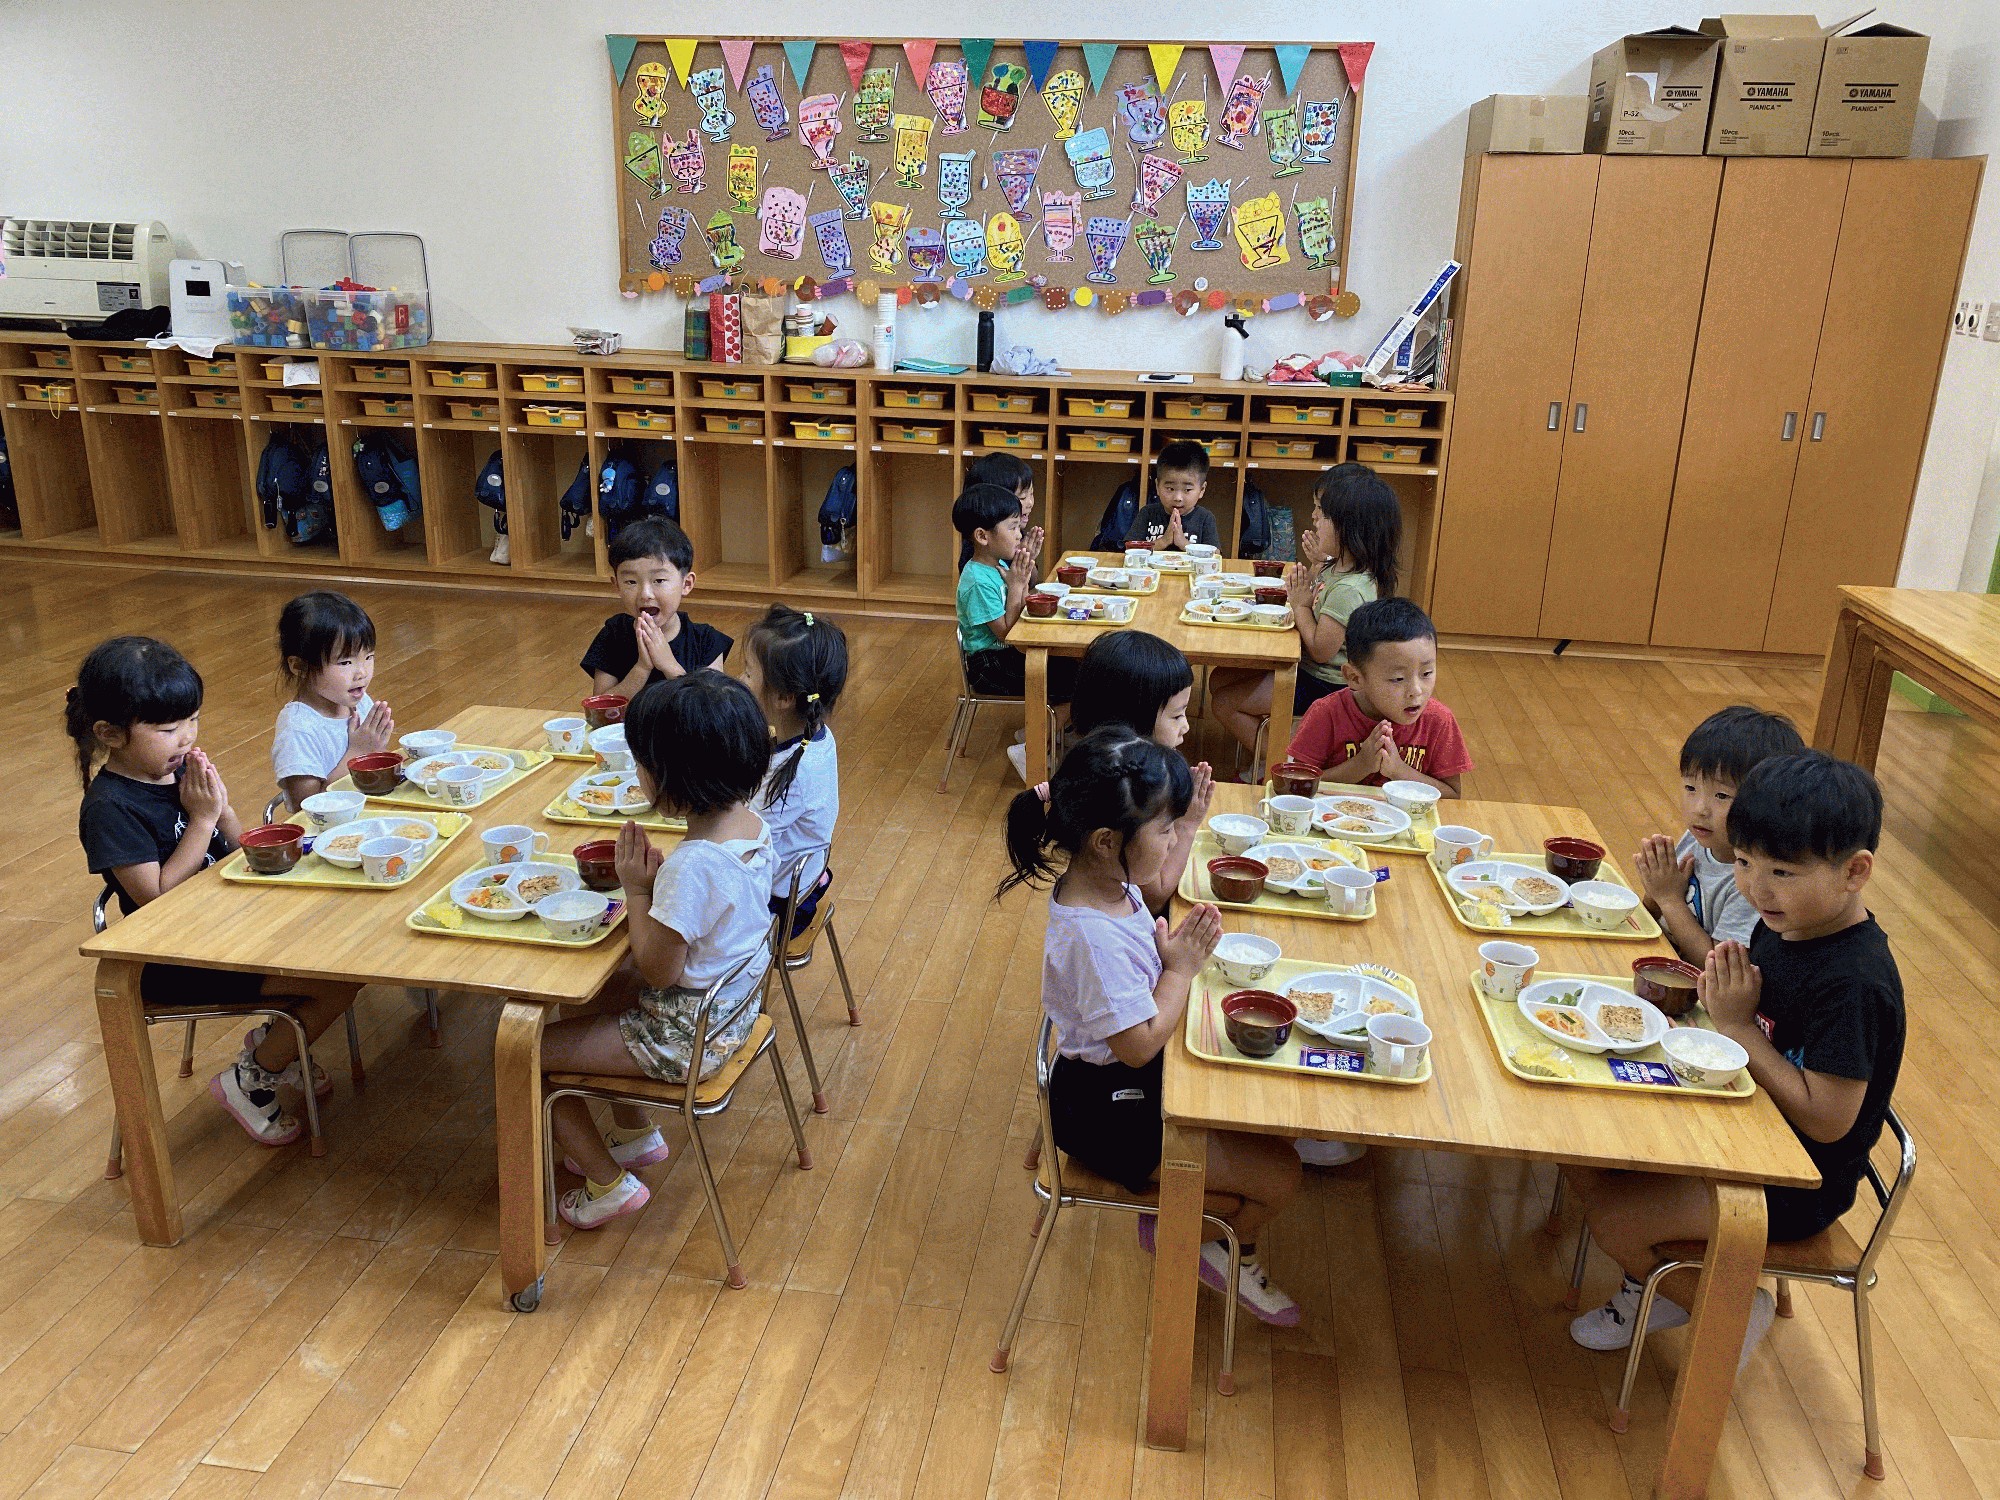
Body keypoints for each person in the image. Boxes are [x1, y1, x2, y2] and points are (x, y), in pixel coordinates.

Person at [1566, 752, 1902, 1366]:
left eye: (1783, 872)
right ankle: (1658, 1284)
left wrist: (1739, 1028)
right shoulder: (1787, 923)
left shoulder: (1854, 983)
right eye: (1744, 862)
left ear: (1855, 872)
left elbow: (1829, 1121)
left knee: (1613, 1219)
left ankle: (1724, 1308)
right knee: (1584, 1151)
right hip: (1746, 1121)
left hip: (1799, 1181)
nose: (1756, 888)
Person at [999, 726, 1303, 1325]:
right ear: (1106, 841)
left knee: (1270, 1124)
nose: (1172, 840)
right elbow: (1137, 1046)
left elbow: (1148, 917)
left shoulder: (1111, 884)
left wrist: (1165, 956)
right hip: (1110, 1111)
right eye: (1164, 830)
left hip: (1126, 1083)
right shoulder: (1092, 936)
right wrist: (1180, 971)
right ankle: (1199, 1239)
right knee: (1281, 1177)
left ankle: (1192, 1222)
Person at [69, 636, 359, 1146]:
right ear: (109, 734)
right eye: (167, 729)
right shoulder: (110, 809)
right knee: (337, 979)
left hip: (227, 924)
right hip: (176, 957)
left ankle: (278, 1043)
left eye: (193, 720)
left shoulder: (178, 770)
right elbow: (157, 898)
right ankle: (252, 1077)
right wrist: (203, 820)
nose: (185, 738)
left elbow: (236, 844)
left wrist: (224, 814)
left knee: (344, 943)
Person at [538, 673, 778, 1229]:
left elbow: (656, 970)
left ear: (673, 778)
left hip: (685, 1037)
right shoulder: (751, 825)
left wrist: (638, 889)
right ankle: (634, 1135)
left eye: (642, 763)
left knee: (526, 1054)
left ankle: (607, 1184)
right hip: (731, 1015)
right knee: (588, 998)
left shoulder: (692, 867)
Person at [1210, 463, 1402, 759]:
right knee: (1219, 678)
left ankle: (1282, 762)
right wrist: (1317, 567)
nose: (1314, 518)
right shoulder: (1337, 568)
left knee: (1224, 703)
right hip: (1308, 669)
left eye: (1323, 514)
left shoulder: (1350, 589)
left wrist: (1299, 604)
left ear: (1348, 529)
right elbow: (1315, 596)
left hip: (1325, 683)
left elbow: (1321, 650)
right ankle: (1269, 746)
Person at [1635, 705, 1805, 964]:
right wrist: (1655, 886)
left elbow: (1714, 966)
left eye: (1722, 796)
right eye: (1690, 787)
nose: (1700, 809)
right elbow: (1650, 915)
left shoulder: (1753, 883)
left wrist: (1668, 899)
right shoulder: (1699, 837)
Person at [1070, 630, 1212, 910]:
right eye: (1176, 715)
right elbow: (1155, 896)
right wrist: (1186, 825)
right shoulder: (1125, 790)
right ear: (1133, 721)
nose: (1185, 726)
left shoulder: (1099, 762)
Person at [1283, 598, 1471, 796]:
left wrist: (1399, 771)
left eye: (1426, 673)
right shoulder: (1326, 714)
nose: (1416, 690)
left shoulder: (1439, 721)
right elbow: (1298, 784)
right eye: (1398, 679)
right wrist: (1360, 765)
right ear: (1355, 678)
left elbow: (1452, 795)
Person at [953, 482, 1075, 783]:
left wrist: (1024, 570)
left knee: (1079, 668)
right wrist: (1017, 584)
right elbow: (1009, 634)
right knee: (1081, 684)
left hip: (1005, 654)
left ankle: (1039, 731)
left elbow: (1019, 610)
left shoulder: (996, 564)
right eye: (1012, 527)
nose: (1020, 534)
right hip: (988, 665)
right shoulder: (978, 580)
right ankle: (1033, 747)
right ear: (983, 536)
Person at [742, 604, 846, 946]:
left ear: (784, 697)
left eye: (748, 674)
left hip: (780, 907)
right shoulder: (814, 737)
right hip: (803, 881)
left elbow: (742, 850)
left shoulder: (790, 778)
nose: (741, 681)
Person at [583, 516, 732, 698]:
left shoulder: (707, 642)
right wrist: (642, 668)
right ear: (617, 586)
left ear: (686, 584)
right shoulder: (613, 635)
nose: (645, 594)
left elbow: (711, 710)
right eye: (631, 581)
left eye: (659, 580)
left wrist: (669, 665)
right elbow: (598, 711)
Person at [271, 590, 394, 810]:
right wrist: (358, 754)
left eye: (369, 657)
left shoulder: (359, 701)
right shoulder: (298, 729)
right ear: (299, 666)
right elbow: (306, 809)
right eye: (345, 662)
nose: (362, 672)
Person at [1125, 441, 1220, 551]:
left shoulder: (1205, 518)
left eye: (1187, 490)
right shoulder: (1147, 513)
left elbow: (1215, 554)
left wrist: (1184, 544)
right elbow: (1130, 549)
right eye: (1170, 489)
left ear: (1202, 489)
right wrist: (1164, 541)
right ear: (1157, 486)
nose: (1178, 498)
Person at [963, 450, 1036, 570]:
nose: (1030, 503)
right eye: (1022, 497)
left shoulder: (1014, 531)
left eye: (1031, 494)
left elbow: (1031, 580)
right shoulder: (978, 554)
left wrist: (1027, 559)